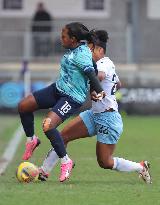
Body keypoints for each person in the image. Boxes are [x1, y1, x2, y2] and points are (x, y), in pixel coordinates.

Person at [38, 30, 152, 184]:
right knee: (63, 135)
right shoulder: (103, 64)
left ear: (100, 50)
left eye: (90, 50)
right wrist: (103, 91)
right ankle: (43, 172)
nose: (87, 53)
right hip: (94, 114)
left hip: (108, 119)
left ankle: (140, 167)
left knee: (105, 162)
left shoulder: (103, 63)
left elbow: (100, 75)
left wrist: (87, 80)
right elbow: (118, 84)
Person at [18, 22, 105, 182]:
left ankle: (66, 161)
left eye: (63, 36)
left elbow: (91, 73)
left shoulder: (82, 54)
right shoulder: (74, 50)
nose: (61, 38)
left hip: (71, 98)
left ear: (73, 39)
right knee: (24, 106)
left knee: (48, 125)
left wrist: (98, 90)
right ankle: (32, 140)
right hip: (57, 89)